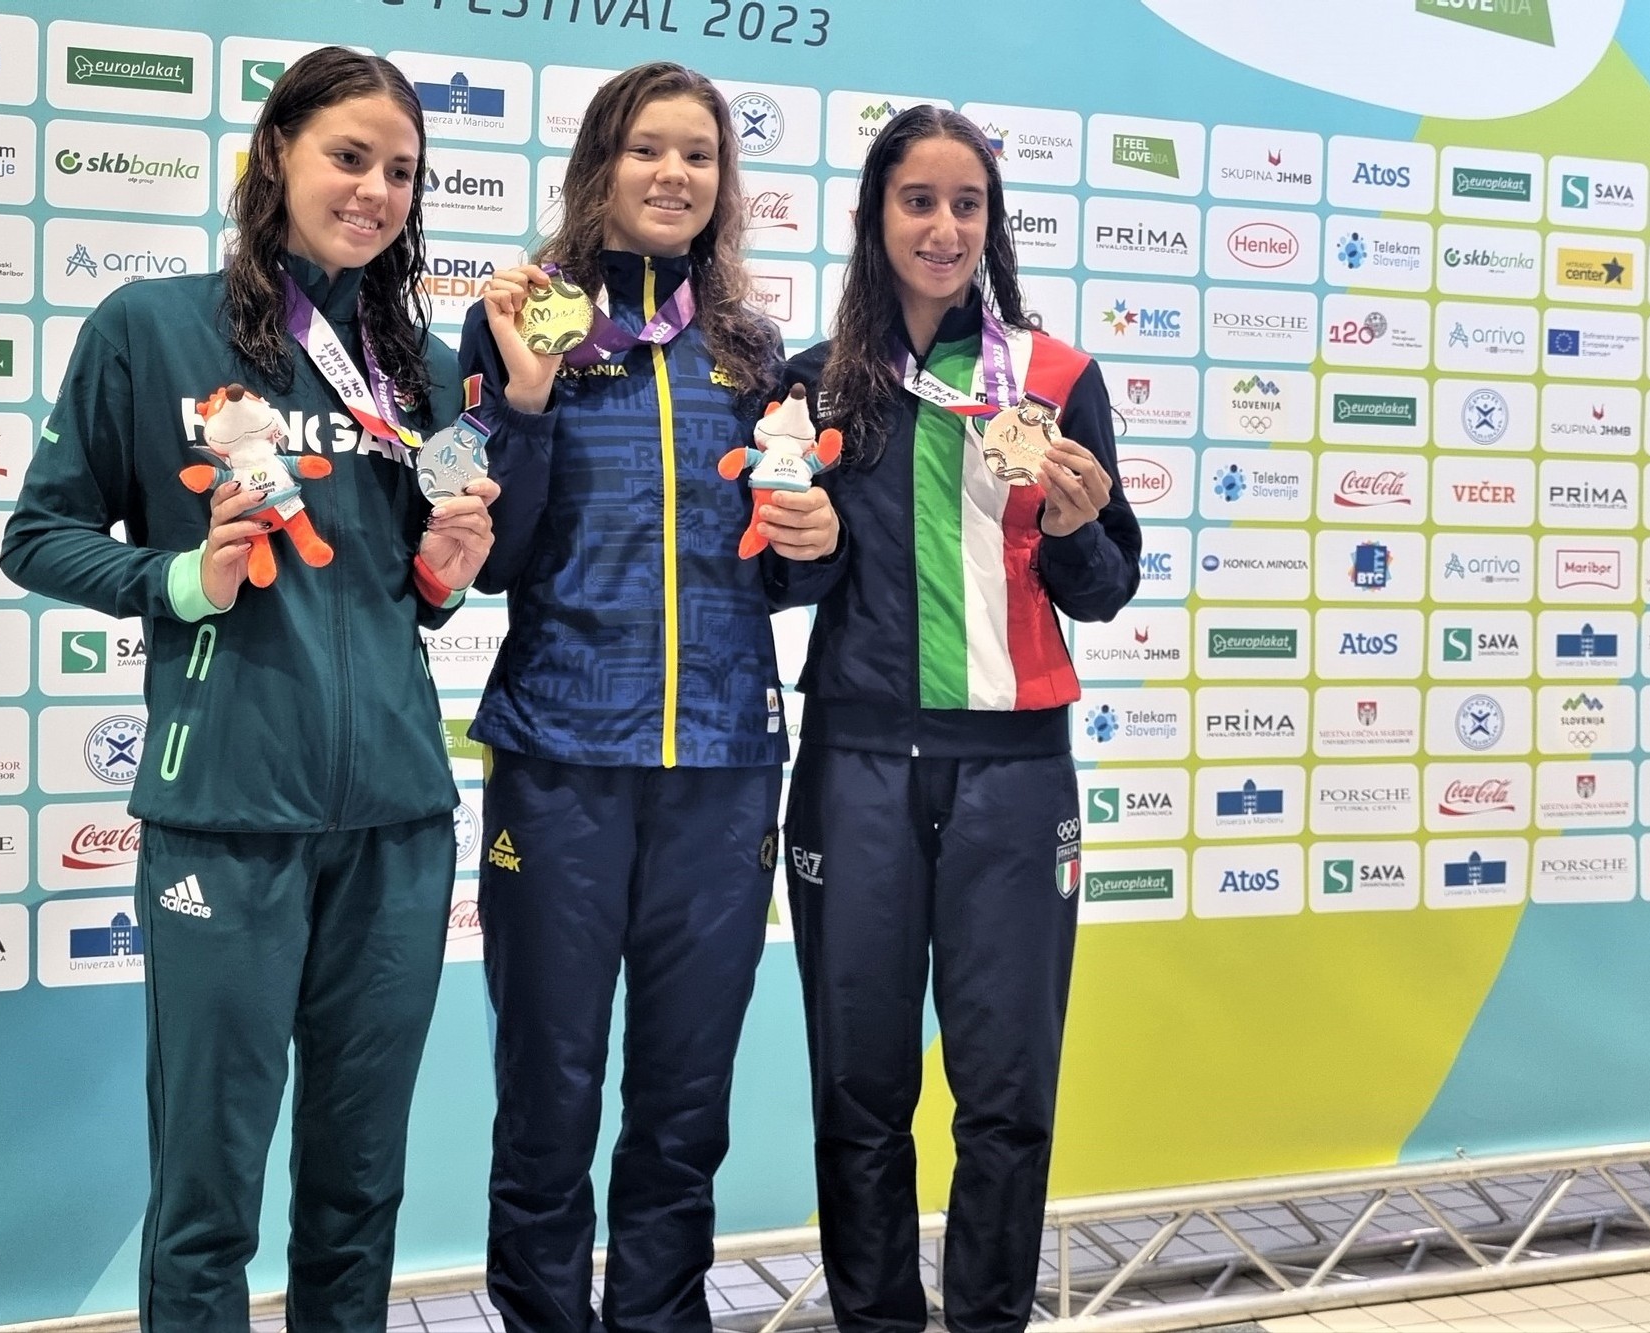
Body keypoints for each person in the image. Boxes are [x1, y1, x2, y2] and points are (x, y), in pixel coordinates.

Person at [0, 47, 496, 1331]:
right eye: (349, 157)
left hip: (396, 821)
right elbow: (38, 537)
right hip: (224, 813)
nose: (375, 190)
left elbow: (412, 584)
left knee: (357, 1188)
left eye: (400, 171)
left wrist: (446, 573)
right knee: (207, 1194)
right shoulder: (150, 326)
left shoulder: (423, 365)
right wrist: (184, 579)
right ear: (276, 152)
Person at [455, 60, 840, 1333]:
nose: (674, 173)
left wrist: (812, 542)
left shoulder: (749, 347)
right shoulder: (523, 318)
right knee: (548, 1090)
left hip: (723, 763)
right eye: (646, 148)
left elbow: (776, 572)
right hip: (560, 752)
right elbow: (491, 559)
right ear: (599, 165)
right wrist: (521, 398)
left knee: (683, 1100)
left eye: (699, 153)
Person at [780, 105, 1141, 1333]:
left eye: (965, 204)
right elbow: (779, 579)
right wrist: (797, 543)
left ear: (992, 223)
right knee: (857, 1091)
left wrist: (1078, 528)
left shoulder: (1055, 379)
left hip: (1013, 774)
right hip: (855, 766)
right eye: (917, 201)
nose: (942, 227)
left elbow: (1105, 586)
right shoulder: (814, 385)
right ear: (872, 217)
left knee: (1005, 1095)